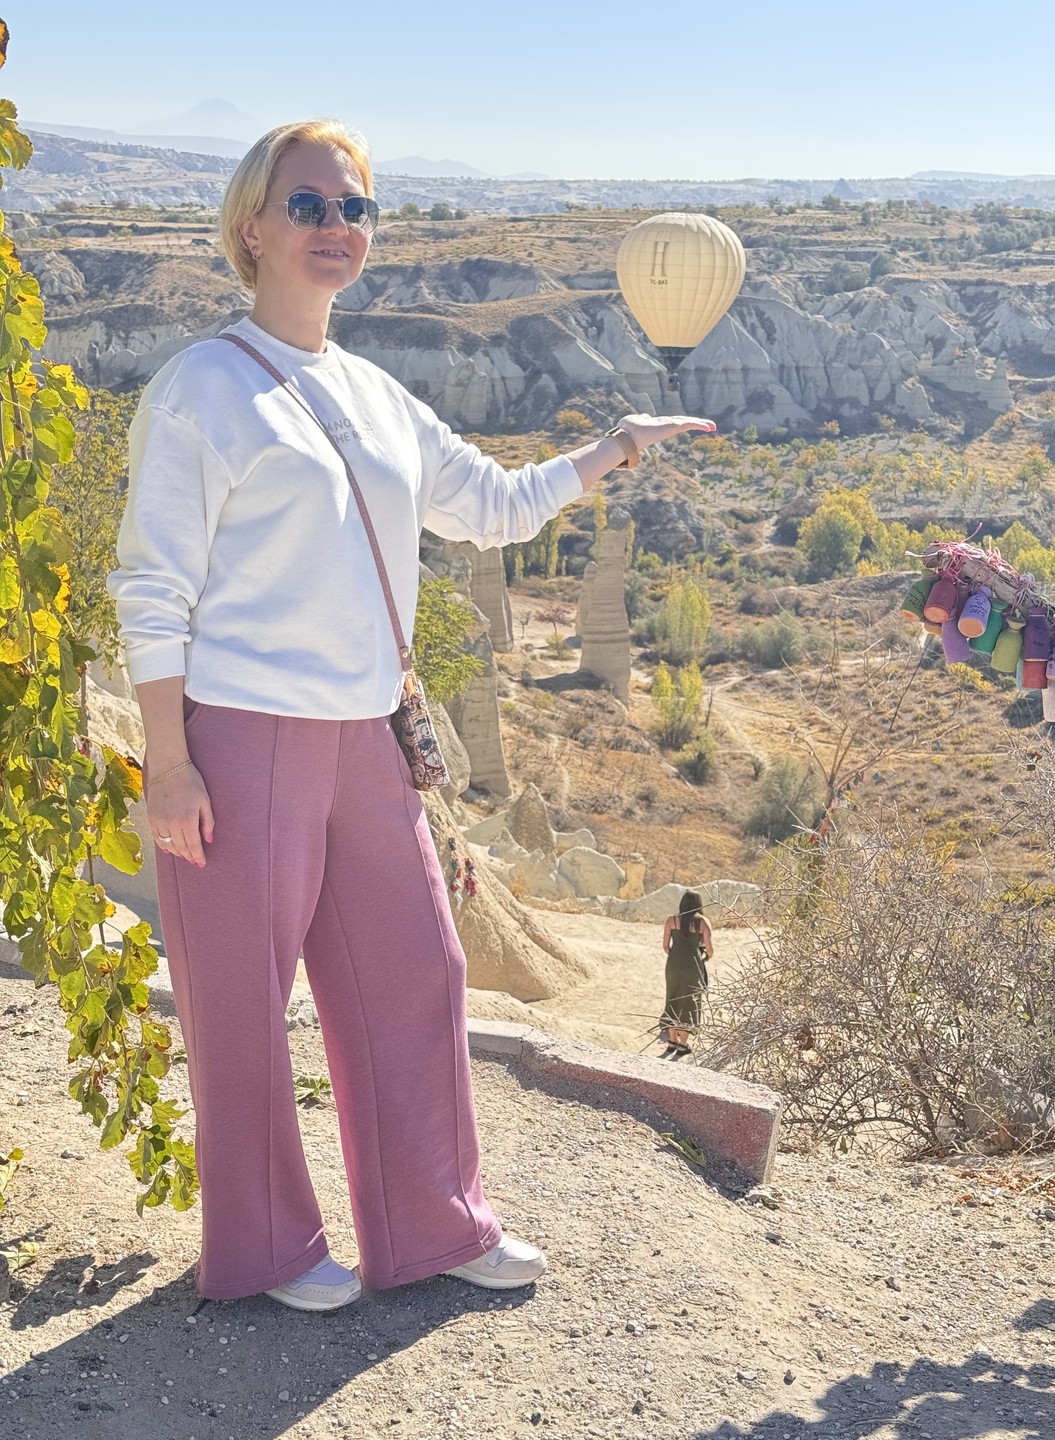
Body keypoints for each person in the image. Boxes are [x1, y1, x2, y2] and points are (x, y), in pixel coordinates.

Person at [105, 118, 717, 1313]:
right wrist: (168, 763)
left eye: (357, 209)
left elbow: (491, 506)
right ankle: (269, 1250)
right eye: (310, 206)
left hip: (366, 736)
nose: (338, 228)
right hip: (237, 736)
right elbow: (152, 587)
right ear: (252, 227)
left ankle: (432, 1228)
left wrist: (610, 451)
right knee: (240, 1004)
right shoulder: (201, 390)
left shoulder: (375, 393)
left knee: (419, 975)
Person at [659, 891, 713, 1059]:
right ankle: (683, 1046)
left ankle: (672, 1042)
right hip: (693, 965)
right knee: (689, 1001)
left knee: (672, 998)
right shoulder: (703, 922)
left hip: (673, 964)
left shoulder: (671, 920)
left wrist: (676, 956)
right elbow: (710, 950)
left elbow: (666, 946)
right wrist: (705, 957)